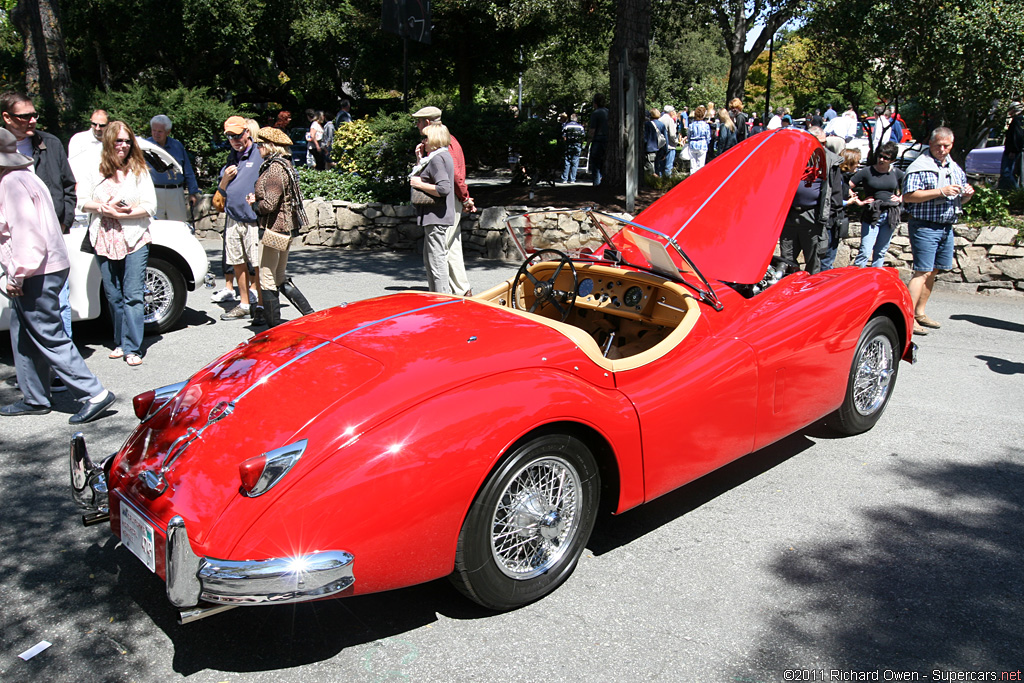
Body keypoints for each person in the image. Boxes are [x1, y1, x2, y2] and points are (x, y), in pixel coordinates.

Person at [0, 128, 116, 423]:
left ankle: (94, 394)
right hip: (47, 264)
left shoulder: (10, 184)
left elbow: (26, 235)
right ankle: (35, 396)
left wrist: (17, 276)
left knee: (48, 334)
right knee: (24, 333)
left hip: (36, 268)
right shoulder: (26, 177)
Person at [3, 91, 78, 378]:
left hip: (51, 242)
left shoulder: (50, 144)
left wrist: (63, 222)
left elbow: (68, 186)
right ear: (7, 118)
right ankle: (37, 385)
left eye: (35, 115)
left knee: (59, 306)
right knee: (24, 317)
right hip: (18, 245)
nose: (32, 120)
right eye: (25, 116)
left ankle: (65, 376)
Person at [77, 121, 156, 367]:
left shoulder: (139, 170)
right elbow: (82, 201)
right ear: (108, 141)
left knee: (132, 294)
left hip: (134, 237)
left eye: (127, 141)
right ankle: (120, 342)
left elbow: (150, 206)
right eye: (118, 141)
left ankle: (133, 347)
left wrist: (126, 213)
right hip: (104, 237)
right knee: (113, 295)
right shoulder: (94, 169)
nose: (123, 145)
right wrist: (101, 207)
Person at [902, 127, 975, 336]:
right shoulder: (920, 166)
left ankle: (920, 313)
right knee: (922, 271)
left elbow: (960, 198)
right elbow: (908, 196)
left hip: (945, 225)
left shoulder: (954, 167)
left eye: (947, 146)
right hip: (924, 225)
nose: (942, 150)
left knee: (933, 271)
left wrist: (968, 194)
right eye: (938, 146)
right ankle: (907, 318)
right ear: (930, 144)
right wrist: (940, 191)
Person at [244, 127, 312, 328]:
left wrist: (254, 203)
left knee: (266, 278)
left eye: (260, 145)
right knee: (280, 277)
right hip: (285, 229)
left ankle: (273, 330)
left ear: (269, 146)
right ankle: (310, 315)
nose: (258, 148)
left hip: (274, 229)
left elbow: (269, 205)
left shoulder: (275, 169)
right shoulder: (286, 165)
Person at [412, 106, 476, 295]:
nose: (417, 125)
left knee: (440, 251)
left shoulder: (443, 145)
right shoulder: (447, 141)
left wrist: (465, 199)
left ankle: (448, 294)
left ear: (428, 123)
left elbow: (454, 178)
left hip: (446, 203)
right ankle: (461, 290)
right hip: (451, 200)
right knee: (450, 245)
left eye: (419, 121)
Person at [216, 116, 264, 323]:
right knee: (237, 263)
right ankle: (245, 304)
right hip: (233, 219)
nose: (234, 140)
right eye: (230, 137)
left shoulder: (260, 153)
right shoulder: (232, 157)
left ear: (247, 133)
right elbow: (221, 188)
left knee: (258, 265)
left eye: (237, 135)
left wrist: (260, 196)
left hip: (254, 219)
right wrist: (226, 179)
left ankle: (262, 306)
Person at [779, 129, 840, 274]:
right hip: (790, 216)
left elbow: (835, 194)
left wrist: (829, 218)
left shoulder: (829, 161)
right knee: (787, 260)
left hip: (813, 217)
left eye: (823, 142)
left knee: (814, 262)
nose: (821, 145)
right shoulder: (794, 157)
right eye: (817, 142)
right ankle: (788, 293)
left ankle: (812, 292)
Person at [410, 122, 455, 294]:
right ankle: (437, 296)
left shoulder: (437, 159)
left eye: (426, 137)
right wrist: (419, 160)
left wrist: (418, 184)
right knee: (432, 259)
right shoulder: (441, 156)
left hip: (436, 216)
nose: (423, 141)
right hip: (436, 216)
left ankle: (442, 300)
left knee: (436, 261)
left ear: (435, 139)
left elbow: (443, 189)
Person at [850, 141, 904, 268]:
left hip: (890, 215)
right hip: (872, 214)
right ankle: (856, 280)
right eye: (880, 156)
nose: (881, 159)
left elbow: (910, 187)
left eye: (886, 158)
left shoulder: (896, 172)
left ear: (892, 160)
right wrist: (858, 201)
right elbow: (847, 186)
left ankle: (875, 280)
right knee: (865, 251)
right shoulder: (867, 171)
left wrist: (901, 198)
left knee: (881, 252)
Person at [146, 114, 200, 222]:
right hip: (154, 192)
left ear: (168, 132)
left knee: (178, 227)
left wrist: (192, 192)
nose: (156, 134)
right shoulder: (145, 146)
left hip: (175, 192)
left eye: (160, 131)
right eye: (154, 130)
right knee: (155, 228)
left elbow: (187, 170)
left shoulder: (177, 146)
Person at [68, 109, 108, 180]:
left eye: (102, 125)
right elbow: (72, 166)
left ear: (109, 124)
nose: (97, 128)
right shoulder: (78, 139)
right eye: (94, 124)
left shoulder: (113, 141)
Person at [999, 102, 1022, 190]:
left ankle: (1016, 191)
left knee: (1007, 173)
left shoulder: (1017, 121)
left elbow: (1016, 136)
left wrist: (1013, 150)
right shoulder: (1018, 120)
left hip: (1011, 151)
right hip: (1011, 150)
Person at [587, 94, 609, 186]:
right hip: (608, 140)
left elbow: (592, 130)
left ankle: (596, 184)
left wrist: (587, 144)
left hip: (598, 140)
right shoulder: (608, 112)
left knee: (595, 164)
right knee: (604, 163)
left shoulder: (595, 113)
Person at [560, 113, 586, 183]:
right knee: (575, 162)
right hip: (577, 145)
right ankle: (573, 179)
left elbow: (564, 136)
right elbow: (582, 137)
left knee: (567, 161)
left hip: (569, 144)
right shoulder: (580, 127)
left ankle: (565, 178)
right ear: (576, 119)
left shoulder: (566, 126)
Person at [686, 105, 712, 173]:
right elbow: (708, 137)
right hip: (702, 145)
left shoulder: (691, 125)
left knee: (693, 165)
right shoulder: (706, 125)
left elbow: (688, 136)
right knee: (701, 165)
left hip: (692, 145)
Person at [644, 109, 667, 176]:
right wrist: (665, 150)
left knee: (651, 170)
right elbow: (665, 138)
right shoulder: (661, 124)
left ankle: (658, 181)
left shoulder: (647, 125)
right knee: (656, 167)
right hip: (657, 148)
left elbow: (645, 139)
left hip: (649, 149)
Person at [659, 106, 678, 175]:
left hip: (661, 145)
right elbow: (672, 134)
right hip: (670, 145)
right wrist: (676, 141)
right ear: (671, 112)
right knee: (668, 167)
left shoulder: (660, 119)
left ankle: (660, 181)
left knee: (661, 166)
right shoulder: (670, 120)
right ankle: (667, 182)